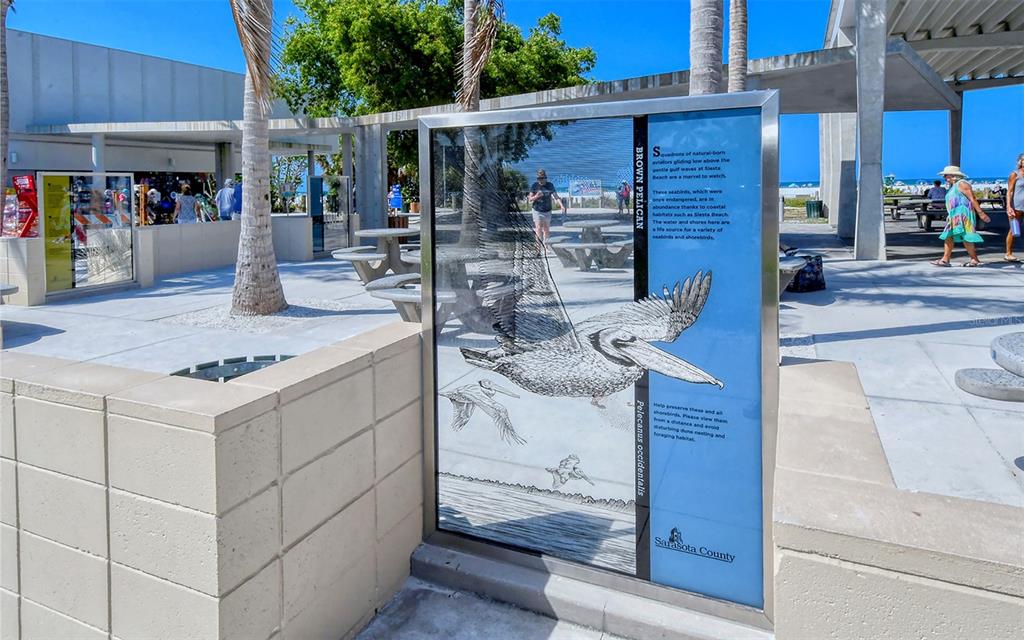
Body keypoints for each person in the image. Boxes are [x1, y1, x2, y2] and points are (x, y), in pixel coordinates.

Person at [931, 166, 991, 267]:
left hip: (963, 215)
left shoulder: (962, 184)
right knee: (950, 235)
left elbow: (973, 198)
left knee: (964, 236)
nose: (945, 177)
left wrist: (981, 213)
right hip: (954, 215)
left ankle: (971, 259)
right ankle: (946, 259)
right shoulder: (953, 186)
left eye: (946, 175)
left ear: (954, 175)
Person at [527, 169, 566, 243]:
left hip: (547, 210)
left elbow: (556, 196)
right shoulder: (534, 185)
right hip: (537, 210)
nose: (540, 180)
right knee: (538, 228)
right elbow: (530, 199)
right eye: (538, 178)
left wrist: (561, 206)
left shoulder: (550, 185)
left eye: (542, 178)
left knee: (546, 229)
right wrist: (537, 196)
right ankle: (538, 247)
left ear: (545, 178)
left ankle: (546, 246)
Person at [1006, 153, 1024, 263]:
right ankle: (1008, 253)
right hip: (1016, 206)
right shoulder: (1015, 174)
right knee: (1013, 229)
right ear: (1020, 162)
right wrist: (1008, 206)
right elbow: (1010, 191)